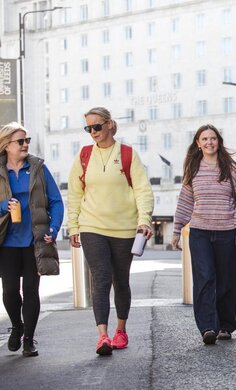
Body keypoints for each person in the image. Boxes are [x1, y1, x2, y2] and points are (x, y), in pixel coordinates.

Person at [68, 107, 154, 356]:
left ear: (109, 125)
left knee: (120, 280)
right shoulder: (84, 156)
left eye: (96, 126)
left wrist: (144, 219)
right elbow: (75, 193)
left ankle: (121, 330)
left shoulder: (127, 154)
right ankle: (103, 336)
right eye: (88, 128)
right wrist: (74, 225)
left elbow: (142, 189)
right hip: (92, 226)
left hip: (125, 228)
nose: (92, 132)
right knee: (101, 278)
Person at [171, 124, 236, 345]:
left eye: (213, 138)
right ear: (198, 143)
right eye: (204, 139)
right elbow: (185, 201)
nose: (209, 142)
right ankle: (207, 327)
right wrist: (177, 230)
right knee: (204, 279)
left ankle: (225, 325)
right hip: (200, 233)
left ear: (219, 141)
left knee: (226, 281)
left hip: (228, 233)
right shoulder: (193, 168)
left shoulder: (231, 168)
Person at [0, 122, 64, 357]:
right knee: (8, 292)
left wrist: (54, 228)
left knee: (31, 290)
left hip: (33, 241)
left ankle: (29, 339)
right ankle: (17, 326)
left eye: (27, 140)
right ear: (7, 145)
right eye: (20, 141)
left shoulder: (37, 168)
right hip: (6, 242)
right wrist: (2, 206)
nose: (26, 144)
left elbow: (56, 201)